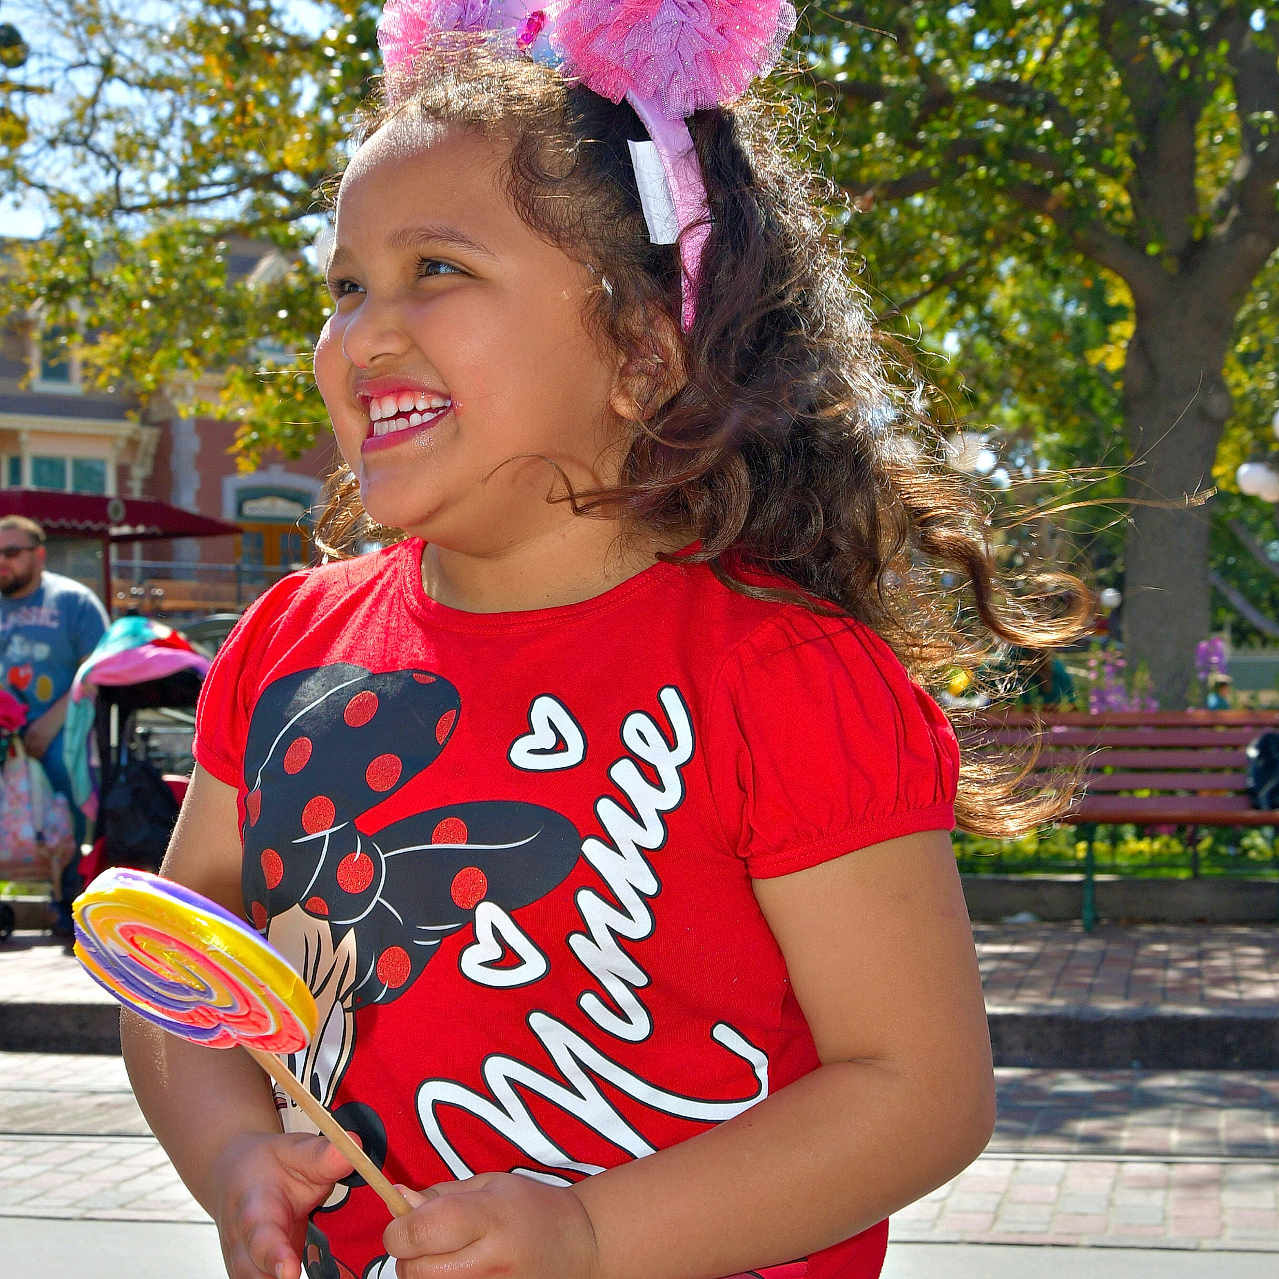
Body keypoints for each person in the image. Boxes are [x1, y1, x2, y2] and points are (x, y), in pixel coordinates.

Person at [121, 7, 1089, 1279]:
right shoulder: (289, 641)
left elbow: (915, 1087)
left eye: (437, 271)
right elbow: (186, 956)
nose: (363, 330)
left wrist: (590, 1235)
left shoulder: (781, 676)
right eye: (346, 284)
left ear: (640, 348)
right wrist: (233, 1155)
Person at [0, 514, 108, 933]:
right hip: (4, 741)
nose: (3, 562)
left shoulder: (73, 602)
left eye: (12, 553)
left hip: (62, 737)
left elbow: (95, 671)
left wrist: (49, 723)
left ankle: (68, 904)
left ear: (38, 555)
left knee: (67, 820)